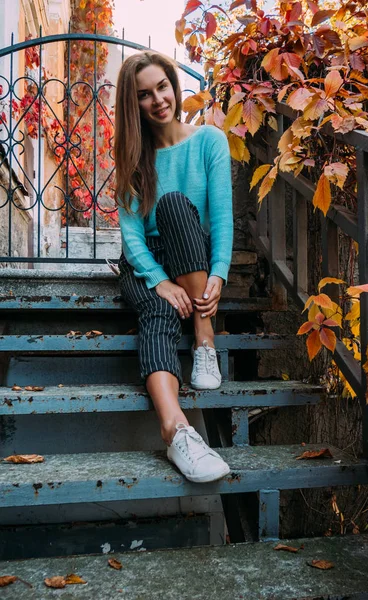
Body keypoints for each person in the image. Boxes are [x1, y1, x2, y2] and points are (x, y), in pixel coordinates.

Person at [114, 50, 233, 484]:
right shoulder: (133, 158)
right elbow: (131, 236)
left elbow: (220, 217)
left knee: (175, 206)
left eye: (162, 86)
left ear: (174, 85)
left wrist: (217, 272)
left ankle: (205, 338)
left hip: (192, 255)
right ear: (134, 105)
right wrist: (159, 282)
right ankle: (176, 431)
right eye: (144, 95)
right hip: (147, 265)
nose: (158, 100)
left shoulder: (208, 141)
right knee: (158, 312)